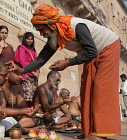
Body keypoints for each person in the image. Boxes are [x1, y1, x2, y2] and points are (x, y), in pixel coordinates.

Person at [7, 4, 121, 139]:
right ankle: (89, 132)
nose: (41, 34)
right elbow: (41, 59)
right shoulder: (55, 35)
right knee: (86, 89)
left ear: (50, 24)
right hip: (92, 53)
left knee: (100, 88)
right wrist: (21, 70)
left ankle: (101, 134)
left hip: (108, 47)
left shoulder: (76, 26)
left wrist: (68, 62)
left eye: (42, 29)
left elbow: (92, 51)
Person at [15, 32, 39, 107]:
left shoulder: (33, 50)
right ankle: (25, 110)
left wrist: (38, 71)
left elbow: (37, 62)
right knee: (26, 95)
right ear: (25, 39)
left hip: (34, 76)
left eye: (31, 39)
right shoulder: (21, 48)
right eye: (28, 39)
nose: (30, 41)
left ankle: (31, 110)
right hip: (26, 74)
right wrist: (32, 71)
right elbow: (23, 62)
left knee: (33, 95)